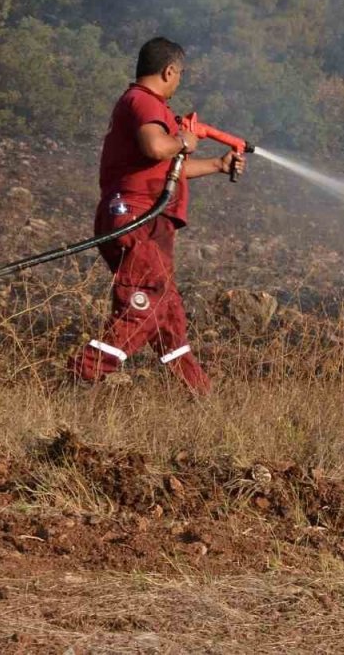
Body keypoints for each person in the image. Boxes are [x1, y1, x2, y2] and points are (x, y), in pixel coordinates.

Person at [69, 37, 246, 394]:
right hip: (137, 218)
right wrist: (183, 140)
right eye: (180, 74)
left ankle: (200, 395)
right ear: (169, 71)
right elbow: (156, 147)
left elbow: (167, 167)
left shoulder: (149, 107)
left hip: (148, 220)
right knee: (144, 306)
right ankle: (80, 377)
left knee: (167, 316)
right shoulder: (143, 101)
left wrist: (217, 164)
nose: (179, 81)